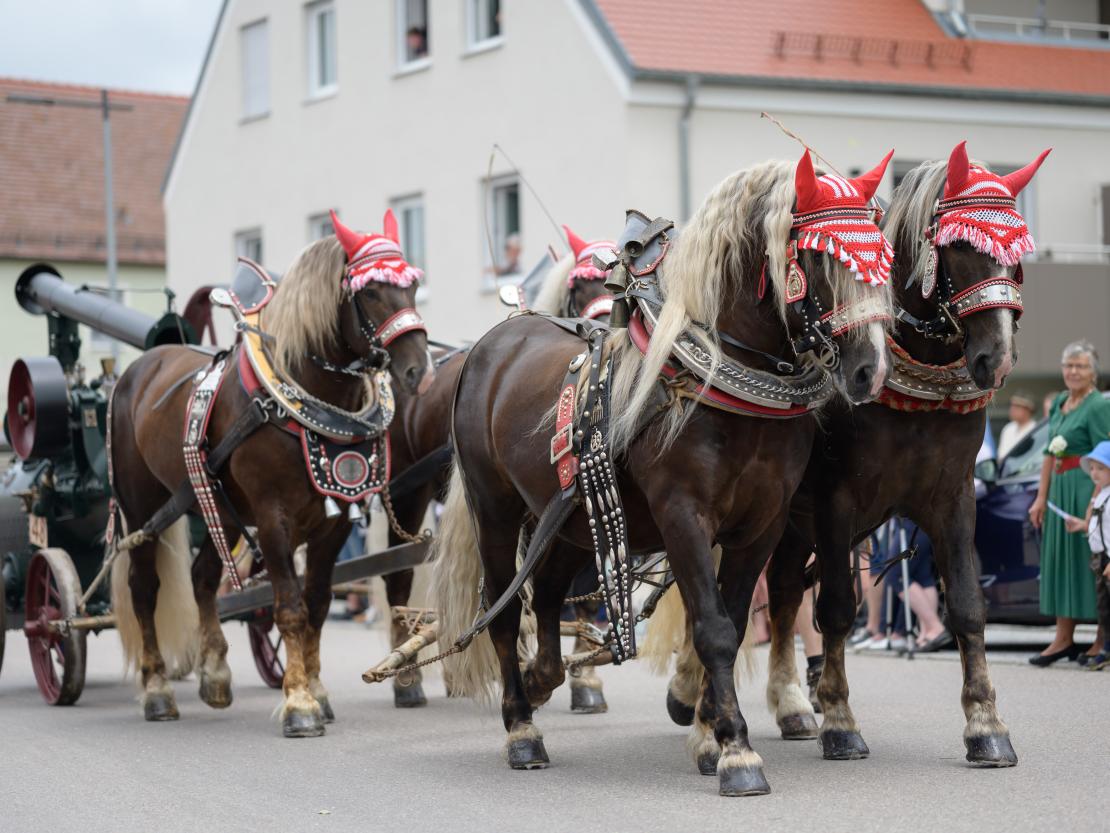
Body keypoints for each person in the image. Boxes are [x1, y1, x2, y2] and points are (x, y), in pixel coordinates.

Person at [1028, 340, 1110, 665]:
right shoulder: (1060, 401)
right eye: (1069, 366)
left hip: (1084, 487)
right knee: (1059, 561)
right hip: (1059, 490)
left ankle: (1102, 640)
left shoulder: (1098, 405)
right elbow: (1049, 452)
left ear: (1093, 372)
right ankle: (1063, 638)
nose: (1074, 371)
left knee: (1088, 562)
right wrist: (1040, 497)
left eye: (1081, 366)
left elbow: (1105, 455)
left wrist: (1094, 503)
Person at [1064, 440, 1110, 670]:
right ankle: (1107, 648)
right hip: (1099, 559)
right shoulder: (1101, 495)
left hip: (1108, 560)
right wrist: (1081, 525)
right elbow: (1100, 525)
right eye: (1092, 468)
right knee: (1103, 607)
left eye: (1101, 468)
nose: (1094, 473)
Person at [998, 392, 1037, 458]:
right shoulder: (1007, 428)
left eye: (1017, 406)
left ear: (1028, 410)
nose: (1012, 409)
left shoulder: (1035, 429)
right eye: (1012, 406)